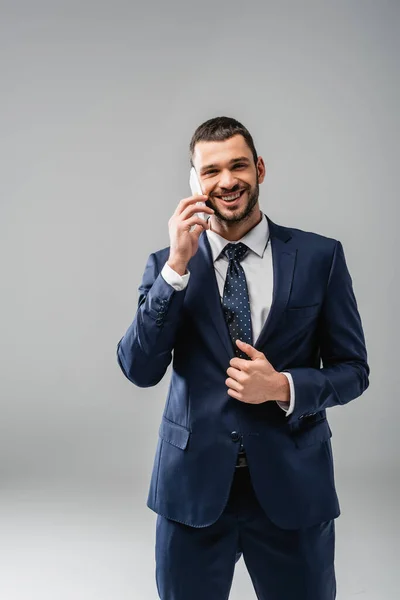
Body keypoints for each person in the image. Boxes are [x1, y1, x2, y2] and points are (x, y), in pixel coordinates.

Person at [116, 116, 370, 600]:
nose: (227, 181)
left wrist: (283, 388)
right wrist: (175, 267)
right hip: (191, 492)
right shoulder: (167, 265)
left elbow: (354, 371)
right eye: (211, 171)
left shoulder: (320, 257)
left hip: (292, 488)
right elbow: (139, 369)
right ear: (195, 181)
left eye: (238, 166)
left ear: (260, 169)